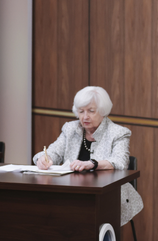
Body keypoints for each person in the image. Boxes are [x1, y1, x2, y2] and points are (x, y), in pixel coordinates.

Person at [33, 86, 143, 226]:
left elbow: (120, 162)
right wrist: (44, 158)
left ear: (102, 111)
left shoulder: (118, 132)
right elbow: (54, 151)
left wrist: (93, 163)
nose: (85, 117)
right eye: (81, 111)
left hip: (107, 195)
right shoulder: (70, 128)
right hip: (71, 192)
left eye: (91, 111)